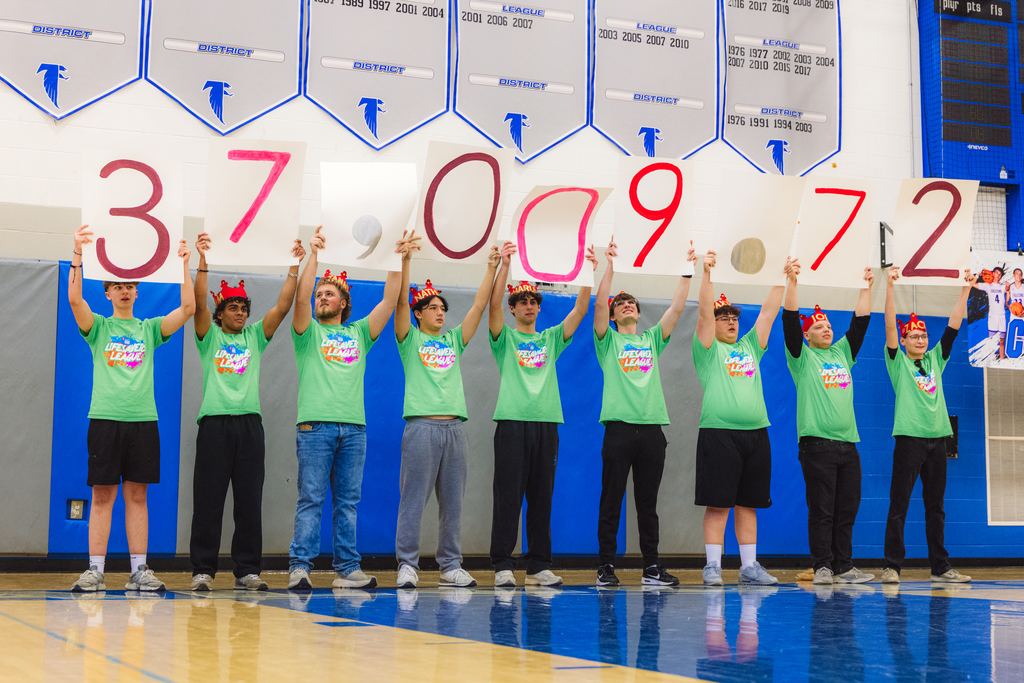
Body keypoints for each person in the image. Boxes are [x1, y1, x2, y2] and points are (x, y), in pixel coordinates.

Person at [287, 227, 419, 590]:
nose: (321, 298)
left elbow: (390, 301)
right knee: (310, 498)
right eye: (319, 294)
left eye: (329, 294)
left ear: (343, 303)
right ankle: (300, 567)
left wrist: (400, 258)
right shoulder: (308, 334)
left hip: (354, 430)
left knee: (347, 503)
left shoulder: (359, 333)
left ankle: (347, 569)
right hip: (315, 427)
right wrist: (313, 254)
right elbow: (299, 302)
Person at [68, 224, 196, 592]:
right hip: (105, 421)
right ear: (107, 293)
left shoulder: (150, 329)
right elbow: (76, 301)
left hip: (143, 422)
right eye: (117, 286)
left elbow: (188, 307)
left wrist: (185, 263)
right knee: (102, 495)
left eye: (130, 285)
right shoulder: (99, 328)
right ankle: (95, 570)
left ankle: (139, 571)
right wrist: (77, 252)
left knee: (138, 496)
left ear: (137, 291)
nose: (125, 290)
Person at [188, 232, 306, 592]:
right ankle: (203, 570)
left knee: (249, 500)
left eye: (244, 309)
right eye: (233, 309)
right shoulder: (209, 336)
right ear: (221, 314)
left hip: (249, 427)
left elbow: (283, 308)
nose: (240, 314)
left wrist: (293, 266)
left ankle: (247, 570)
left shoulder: (254, 337)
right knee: (208, 499)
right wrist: (203, 259)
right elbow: (198, 303)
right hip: (214, 425)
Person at [487, 240, 597, 588]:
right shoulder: (504, 339)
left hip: (547, 425)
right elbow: (491, 308)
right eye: (523, 302)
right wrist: (504, 265)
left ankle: (537, 566)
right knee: (508, 495)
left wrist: (588, 270)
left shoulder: (550, 339)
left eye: (534, 301)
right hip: (512, 424)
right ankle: (503, 565)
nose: (530, 306)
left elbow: (580, 310)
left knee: (541, 496)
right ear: (514, 308)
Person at [392, 245, 500, 589]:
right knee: (412, 500)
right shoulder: (409, 339)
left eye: (442, 308)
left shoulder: (453, 340)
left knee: (453, 502)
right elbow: (398, 304)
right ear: (419, 314)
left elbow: (480, 306)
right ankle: (407, 565)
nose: (440, 312)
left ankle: (451, 565)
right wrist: (405, 260)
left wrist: (491, 268)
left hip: (454, 428)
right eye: (432, 308)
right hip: (422, 427)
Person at [592, 237, 696, 587]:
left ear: (637, 311)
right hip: (619, 431)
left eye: (630, 302)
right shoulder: (607, 341)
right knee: (611, 501)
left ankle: (651, 567)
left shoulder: (652, 339)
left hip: (652, 432)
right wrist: (609, 266)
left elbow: (677, 309)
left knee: (647, 505)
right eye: (619, 303)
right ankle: (606, 566)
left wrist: (687, 271)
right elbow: (600, 306)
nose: (625, 305)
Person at [692, 250, 786, 586]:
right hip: (719, 434)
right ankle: (713, 566)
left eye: (734, 317)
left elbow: (768, 313)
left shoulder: (749, 347)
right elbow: (703, 314)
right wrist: (706, 275)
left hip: (756, 434)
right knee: (719, 504)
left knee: (748, 503)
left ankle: (749, 566)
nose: (731, 321)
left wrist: (783, 275)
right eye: (724, 317)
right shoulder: (707, 350)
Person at [783, 261, 875, 586]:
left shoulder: (841, 354)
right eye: (819, 327)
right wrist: (792, 283)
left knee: (846, 511)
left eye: (828, 326)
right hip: (817, 446)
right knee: (822, 510)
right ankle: (822, 566)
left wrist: (866, 287)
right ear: (807, 337)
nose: (827, 329)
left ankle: (844, 566)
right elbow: (790, 322)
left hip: (848, 445)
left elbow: (860, 323)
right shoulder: (802, 358)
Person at [882, 265, 974, 584]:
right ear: (905, 341)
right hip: (909, 440)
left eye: (923, 336)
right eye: (914, 336)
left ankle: (940, 567)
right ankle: (892, 566)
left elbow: (952, 326)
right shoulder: (897, 362)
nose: (920, 339)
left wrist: (965, 290)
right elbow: (890, 328)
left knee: (936, 508)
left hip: (938, 441)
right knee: (900, 505)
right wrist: (890, 288)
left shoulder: (936, 359)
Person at [973, 266, 1006, 359]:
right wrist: (978, 274)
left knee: (1002, 340)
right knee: (992, 340)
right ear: (993, 274)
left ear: (1001, 276)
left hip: (1002, 316)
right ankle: (992, 359)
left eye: (1000, 274)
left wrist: (1007, 287)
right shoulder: (988, 286)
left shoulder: (1003, 286)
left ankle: (1002, 360)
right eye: (996, 273)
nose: (998, 275)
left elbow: (1009, 290)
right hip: (992, 316)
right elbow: (972, 284)